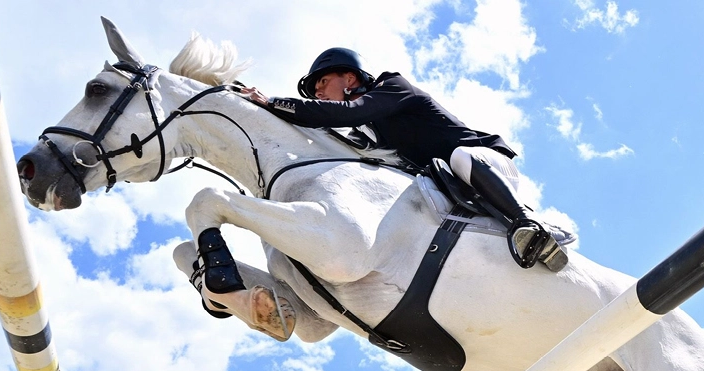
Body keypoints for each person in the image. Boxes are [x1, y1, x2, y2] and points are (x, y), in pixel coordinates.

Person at [239, 48, 571, 272]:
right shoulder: (370, 131)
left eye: (323, 83)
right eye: (316, 91)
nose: (319, 93)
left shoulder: (393, 86)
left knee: (460, 155)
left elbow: (345, 113)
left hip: (486, 163)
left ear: (350, 78)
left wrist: (273, 102)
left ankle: (527, 223)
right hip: (452, 187)